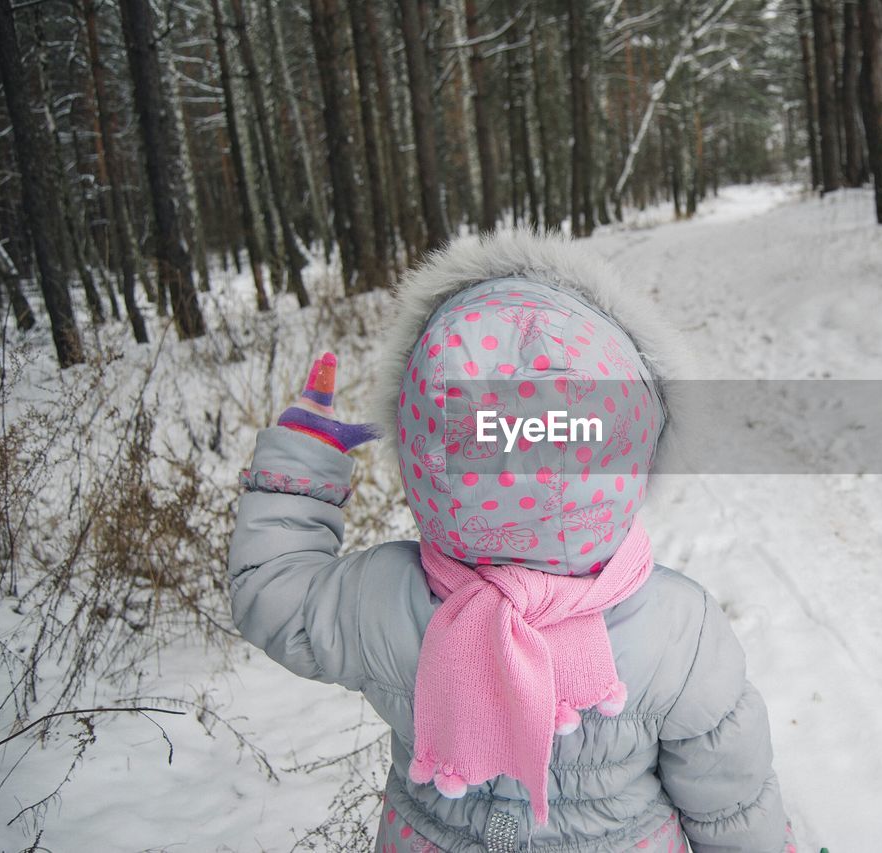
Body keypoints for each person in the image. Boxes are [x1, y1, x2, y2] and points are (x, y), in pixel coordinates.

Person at [228, 230, 794, 852]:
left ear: (420, 449)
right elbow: (732, 806)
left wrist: (302, 464)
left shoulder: (387, 599)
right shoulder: (677, 631)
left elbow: (271, 593)